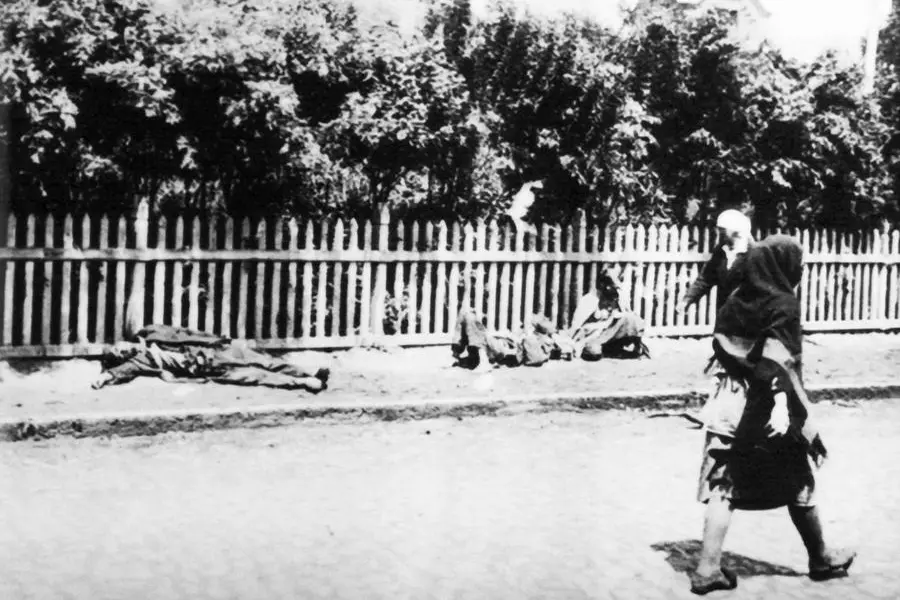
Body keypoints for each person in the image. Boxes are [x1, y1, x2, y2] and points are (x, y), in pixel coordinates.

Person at [690, 235, 854, 595]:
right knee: (799, 478)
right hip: (767, 404)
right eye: (798, 262)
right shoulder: (784, 303)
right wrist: (782, 406)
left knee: (724, 483)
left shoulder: (737, 299)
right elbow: (777, 360)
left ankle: (707, 569)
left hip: (728, 401)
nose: (801, 269)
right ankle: (822, 558)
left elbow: (726, 344)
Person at [678, 209, 754, 316]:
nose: (720, 232)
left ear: (736, 231)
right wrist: (687, 300)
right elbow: (706, 278)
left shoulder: (754, 253)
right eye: (719, 229)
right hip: (723, 314)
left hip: (747, 315)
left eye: (723, 229)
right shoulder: (720, 252)